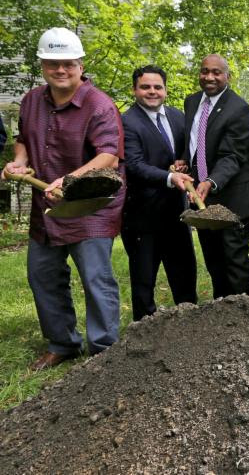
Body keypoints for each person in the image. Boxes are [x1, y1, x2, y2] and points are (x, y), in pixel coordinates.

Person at [1, 27, 124, 370]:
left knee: (95, 278)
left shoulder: (99, 105)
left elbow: (109, 157)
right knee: (42, 275)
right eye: (52, 63)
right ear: (42, 65)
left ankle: (103, 351)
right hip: (48, 207)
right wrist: (19, 162)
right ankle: (63, 343)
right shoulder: (31, 100)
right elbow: (23, 138)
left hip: (90, 206)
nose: (60, 70)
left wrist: (70, 180)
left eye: (68, 64)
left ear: (80, 65)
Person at [121, 65, 197, 320]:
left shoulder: (178, 117)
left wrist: (184, 162)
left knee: (184, 275)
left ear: (165, 90)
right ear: (134, 90)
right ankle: (144, 332)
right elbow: (134, 164)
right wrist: (169, 177)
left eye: (157, 87)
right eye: (145, 87)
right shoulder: (126, 122)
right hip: (142, 217)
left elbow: (187, 151)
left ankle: (189, 325)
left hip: (177, 213)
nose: (152, 92)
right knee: (144, 281)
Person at [183, 54, 249, 298]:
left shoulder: (239, 108)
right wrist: (184, 161)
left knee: (234, 259)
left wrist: (211, 180)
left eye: (216, 72)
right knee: (213, 258)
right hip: (203, 197)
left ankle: (244, 310)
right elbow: (195, 142)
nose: (209, 77)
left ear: (228, 76)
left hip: (234, 197)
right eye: (205, 71)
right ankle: (222, 310)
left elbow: (233, 155)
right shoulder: (191, 102)